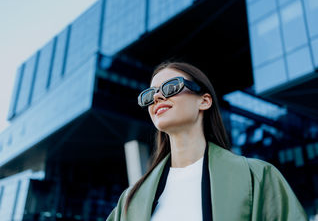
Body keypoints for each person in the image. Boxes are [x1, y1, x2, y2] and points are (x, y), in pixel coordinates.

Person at [106, 61, 308, 221]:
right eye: (149, 95)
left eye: (171, 87)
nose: (157, 97)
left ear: (204, 101)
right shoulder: (130, 201)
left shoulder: (259, 177)